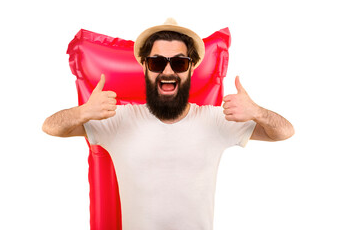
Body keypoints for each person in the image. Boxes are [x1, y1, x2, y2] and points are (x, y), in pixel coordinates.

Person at [43, 18, 294, 230]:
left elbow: (283, 132)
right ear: (145, 67)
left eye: (179, 63)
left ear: (191, 69)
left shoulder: (215, 120)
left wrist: (257, 112)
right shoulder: (118, 120)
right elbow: (51, 127)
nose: (168, 71)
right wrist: (84, 111)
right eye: (156, 62)